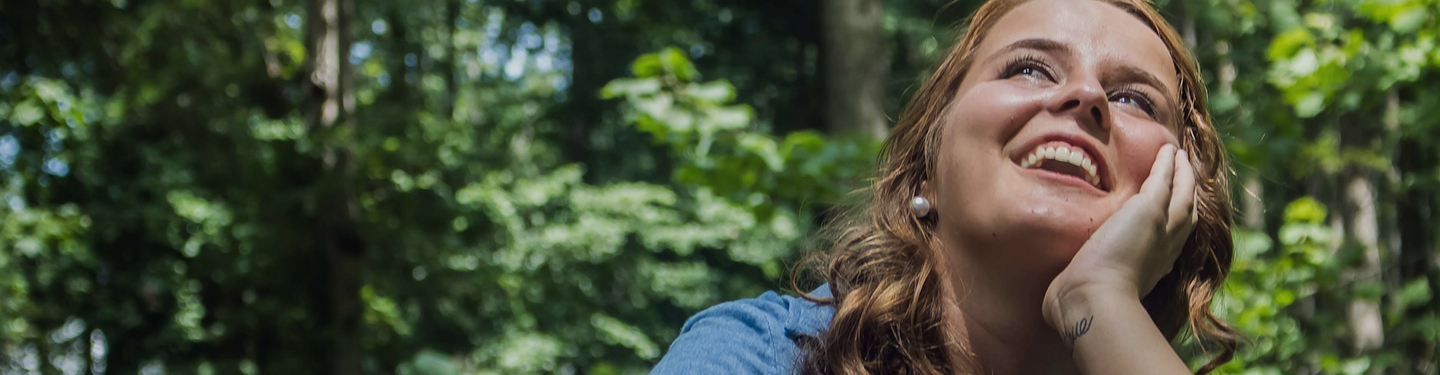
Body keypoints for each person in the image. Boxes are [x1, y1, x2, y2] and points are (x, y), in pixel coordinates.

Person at [649, 0, 1237, 373]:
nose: (1085, 96)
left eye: (1134, 99)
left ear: (1181, 196)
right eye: (1029, 68)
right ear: (925, 169)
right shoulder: (764, 352)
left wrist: (1097, 301)